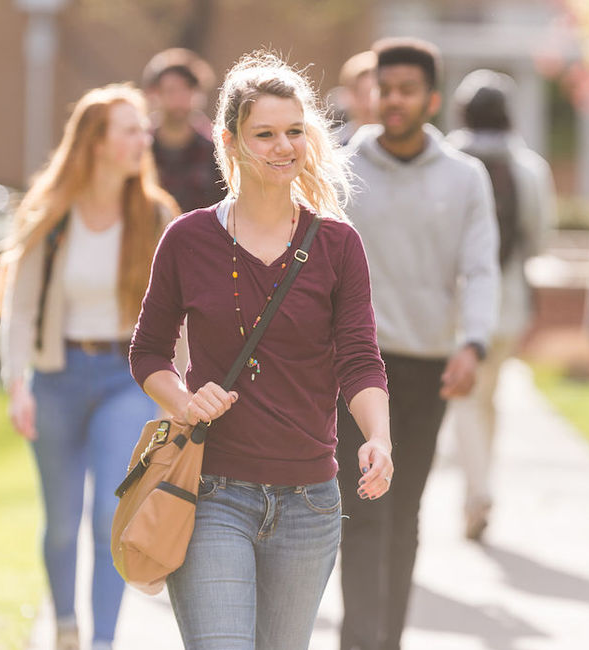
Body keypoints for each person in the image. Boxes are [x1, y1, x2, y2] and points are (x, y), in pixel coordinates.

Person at [127, 51, 394, 649]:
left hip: (310, 503)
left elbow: (359, 357)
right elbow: (148, 352)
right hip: (213, 490)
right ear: (230, 142)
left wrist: (377, 436)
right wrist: (184, 401)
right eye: (265, 134)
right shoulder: (187, 239)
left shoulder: (338, 245)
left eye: (295, 132)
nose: (283, 147)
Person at [0, 84, 180, 650]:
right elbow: (20, 311)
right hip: (57, 379)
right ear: (96, 142)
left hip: (124, 379)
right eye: (130, 130)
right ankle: (65, 626)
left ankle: (101, 642)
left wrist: (180, 394)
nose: (142, 139)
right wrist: (16, 385)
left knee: (108, 516)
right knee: (62, 522)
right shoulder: (51, 213)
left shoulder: (155, 214)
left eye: (144, 129)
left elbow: (181, 312)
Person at [335, 37, 500, 650]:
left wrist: (473, 343)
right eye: (385, 88)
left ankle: (387, 641)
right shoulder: (338, 167)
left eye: (407, 90)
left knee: (403, 514)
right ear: (371, 92)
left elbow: (480, 268)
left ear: (432, 99)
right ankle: (357, 640)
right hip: (352, 368)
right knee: (361, 512)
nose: (394, 100)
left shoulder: (465, 177)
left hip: (427, 364)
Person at [443, 68, 557, 541]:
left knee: (463, 398)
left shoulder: (445, 159)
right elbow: (539, 241)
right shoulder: (528, 168)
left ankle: (478, 490)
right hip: (507, 302)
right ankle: (482, 487)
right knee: (486, 398)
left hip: (452, 300)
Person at [142, 47, 225, 212]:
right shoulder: (140, 147)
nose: (180, 98)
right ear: (154, 94)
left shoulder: (218, 150)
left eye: (187, 89)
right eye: (171, 90)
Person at [332, 50, 378, 146]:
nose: (370, 105)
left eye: (378, 95)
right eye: (363, 95)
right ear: (347, 96)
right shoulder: (331, 147)